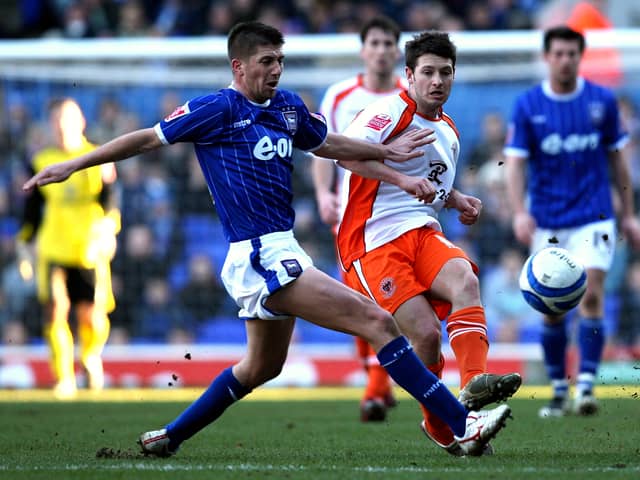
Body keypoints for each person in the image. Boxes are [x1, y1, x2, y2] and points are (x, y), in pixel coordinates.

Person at [23, 21, 512, 458]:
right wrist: (73, 164)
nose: (276, 69)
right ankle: (461, 421)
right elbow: (147, 138)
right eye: (266, 61)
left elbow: (332, 145)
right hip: (258, 252)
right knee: (378, 322)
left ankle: (171, 435)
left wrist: (385, 150)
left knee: (261, 367)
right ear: (240, 66)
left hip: (284, 248)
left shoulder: (288, 108)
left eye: (280, 60)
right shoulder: (217, 108)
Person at [335, 31, 521, 457]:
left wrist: (458, 199)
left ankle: (473, 383)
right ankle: (438, 425)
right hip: (375, 239)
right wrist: (396, 169)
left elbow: (432, 187)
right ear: (409, 75)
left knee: (465, 280)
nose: (437, 80)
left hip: (423, 231)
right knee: (424, 336)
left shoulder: (449, 132)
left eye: (445, 72)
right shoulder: (386, 113)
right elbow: (343, 154)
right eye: (428, 72)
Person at [503, 26, 640, 418]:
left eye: (571, 53)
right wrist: (518, 211)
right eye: (558, 53)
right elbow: (514, 162)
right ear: (547, 57)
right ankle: (558, 390)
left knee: (591, 292)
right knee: (552, 308)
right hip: (547, 219)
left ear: (581, 57)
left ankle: (586, 387)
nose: (565, 59)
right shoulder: (528, 105)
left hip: (594, 215)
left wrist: (628, 216)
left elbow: (618, 159)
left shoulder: (601, 101)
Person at [312, 15, 408, 423]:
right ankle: (377, 385)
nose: (382, 50)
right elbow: (320, 146)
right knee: (362, 300)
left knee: (394, 301)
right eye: (376, 43)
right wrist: (322, 193)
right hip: (351, 212)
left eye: (389, 43)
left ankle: (378, 384)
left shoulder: (412, 94)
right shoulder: (339, 95)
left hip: (399, 210)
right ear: (363, 49)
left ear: (397, 50)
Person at [17, 97, 120, 399]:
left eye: (68, 119)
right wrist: (26, 245)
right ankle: (63, 377)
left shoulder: (98, 157)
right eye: (57, 120)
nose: (63, 126)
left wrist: (110, 230)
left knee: (90, 315)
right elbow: (32, 209)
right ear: (51, 125)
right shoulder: (39, 160)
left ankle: (90, 356)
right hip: (53, 248)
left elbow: (111, 200)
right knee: (55, 311)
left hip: (89, 248)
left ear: (81, 122)